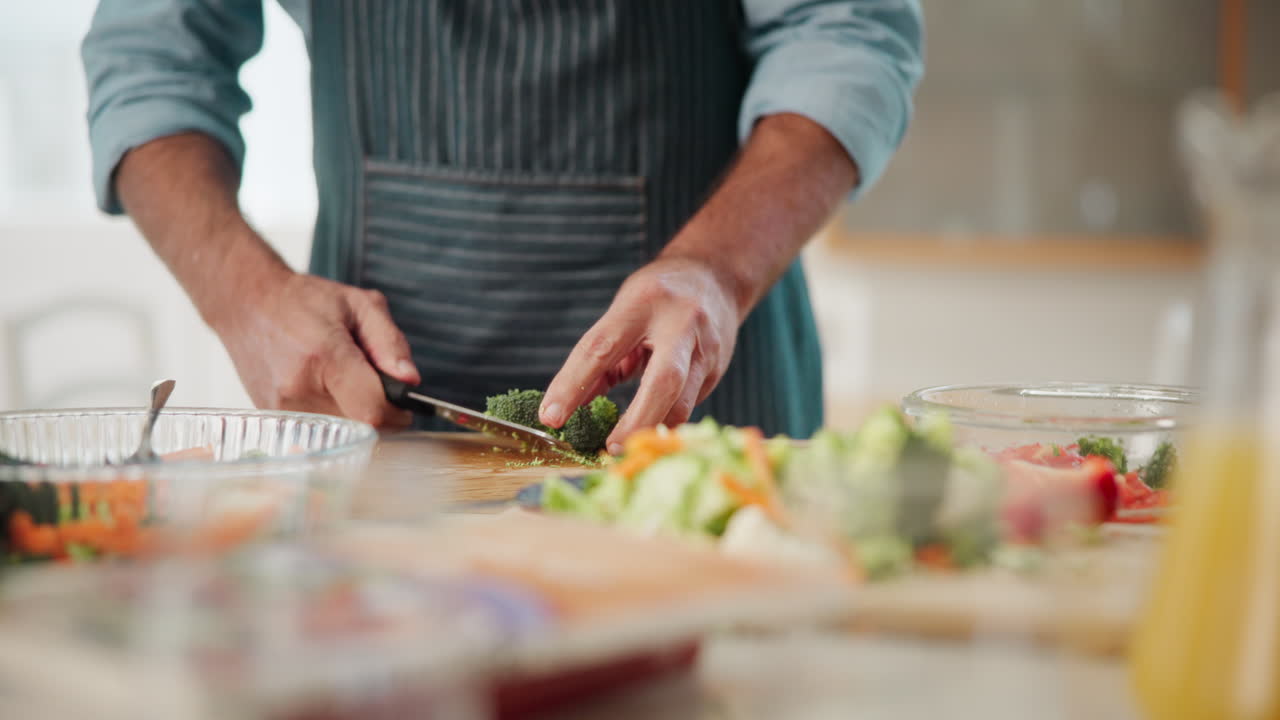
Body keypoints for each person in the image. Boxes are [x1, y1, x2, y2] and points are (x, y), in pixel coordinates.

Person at [82, 0, 923, 453]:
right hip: (372, 435)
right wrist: (247, 296)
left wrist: (713, 269)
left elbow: (845, 35)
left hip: (711, 421)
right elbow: (150, 59)